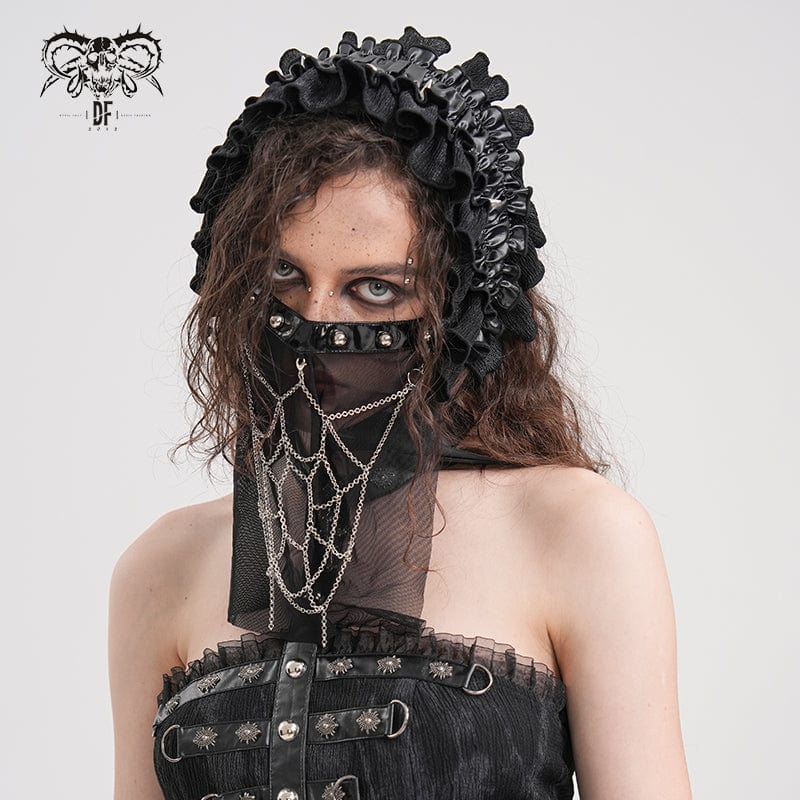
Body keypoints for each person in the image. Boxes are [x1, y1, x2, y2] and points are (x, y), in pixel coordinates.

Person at [109, 26, 692, 800]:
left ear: (458, 306)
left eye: (374, 289)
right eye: (283, 275)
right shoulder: (163, 566)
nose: (315, 325)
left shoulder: (579, 533)